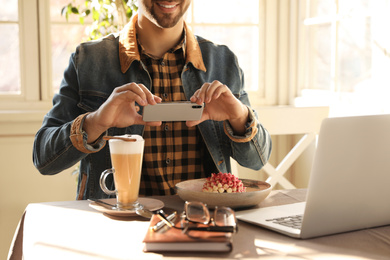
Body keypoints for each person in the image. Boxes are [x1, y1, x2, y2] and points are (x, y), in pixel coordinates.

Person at [33, 0, 272, 200]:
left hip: (204, 224)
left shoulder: (224, 62)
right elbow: (44, 159)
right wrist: (95, 122)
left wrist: (240, 118)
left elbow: (257, 160)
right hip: (118, 228)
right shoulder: (87, 60)